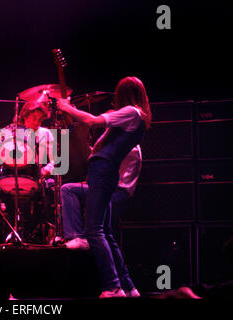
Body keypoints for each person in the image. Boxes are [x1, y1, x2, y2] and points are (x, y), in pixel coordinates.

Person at [57, 76, 152, 298]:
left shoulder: (131, 112)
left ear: (123, 94)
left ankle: (112, 286)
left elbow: (92, 121)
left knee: (95, 230)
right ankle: (128, 287)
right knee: (106, 232)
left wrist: (67, 107)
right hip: (105, 171)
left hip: (103, 171)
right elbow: (98, 138)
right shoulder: (135, 117)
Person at [61, 145, 142, 297]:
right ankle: (128, 287)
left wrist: (82, 140)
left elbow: (98, 156)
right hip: (113, 190)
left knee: (68, 190)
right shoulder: (129, 139)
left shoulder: (128, 144)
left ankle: (77, 235)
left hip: (115, 192)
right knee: (107, 236)